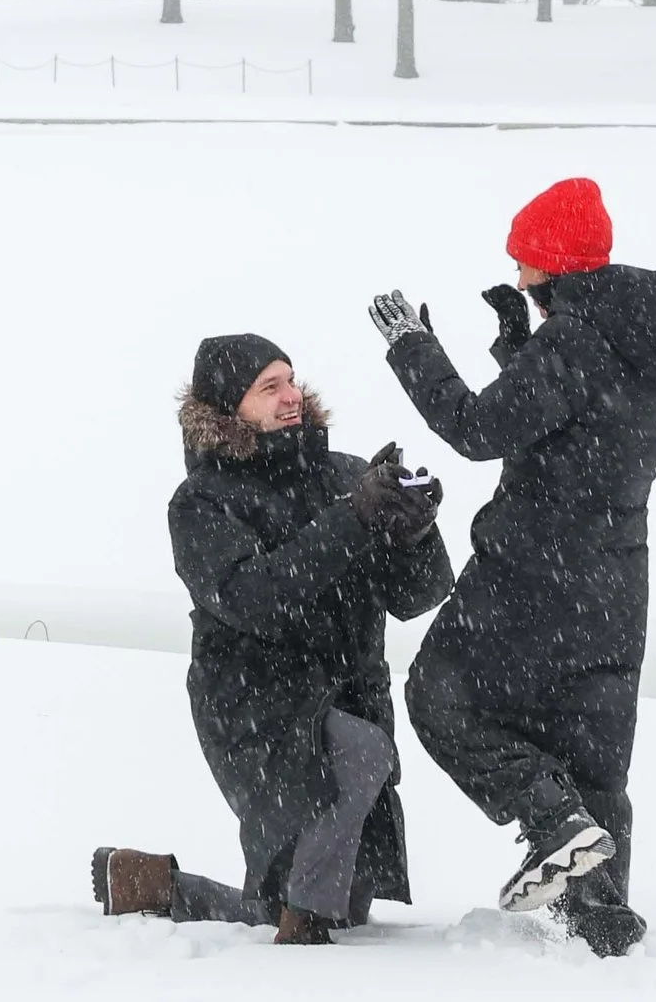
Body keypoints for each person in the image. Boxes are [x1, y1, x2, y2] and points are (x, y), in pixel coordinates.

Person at [369, 177, 656, 959]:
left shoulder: (574, 343)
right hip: (615, 587)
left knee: (439, 697)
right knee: (590, 755)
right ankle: (601, 931)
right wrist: (516, 344)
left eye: (525, 266)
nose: (519, 279)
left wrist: (412, 348)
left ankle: (549, 819)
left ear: (551, 265)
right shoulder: (644, 349)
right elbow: (571, 422)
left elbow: (475, 429)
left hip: (532, 574)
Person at [94, 329, 453, 946]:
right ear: (230, 407)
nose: (292, 395)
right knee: (359, 766)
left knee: (339, 904)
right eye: (270, 386)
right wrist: (352, 520)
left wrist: (415, 533)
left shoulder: (343, 474)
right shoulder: (201, 503)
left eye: (291, 379)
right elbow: (257, 599)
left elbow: (414, 598)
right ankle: (300, 941)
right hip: (257, 707)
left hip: (346, 697)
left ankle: (152, 885)